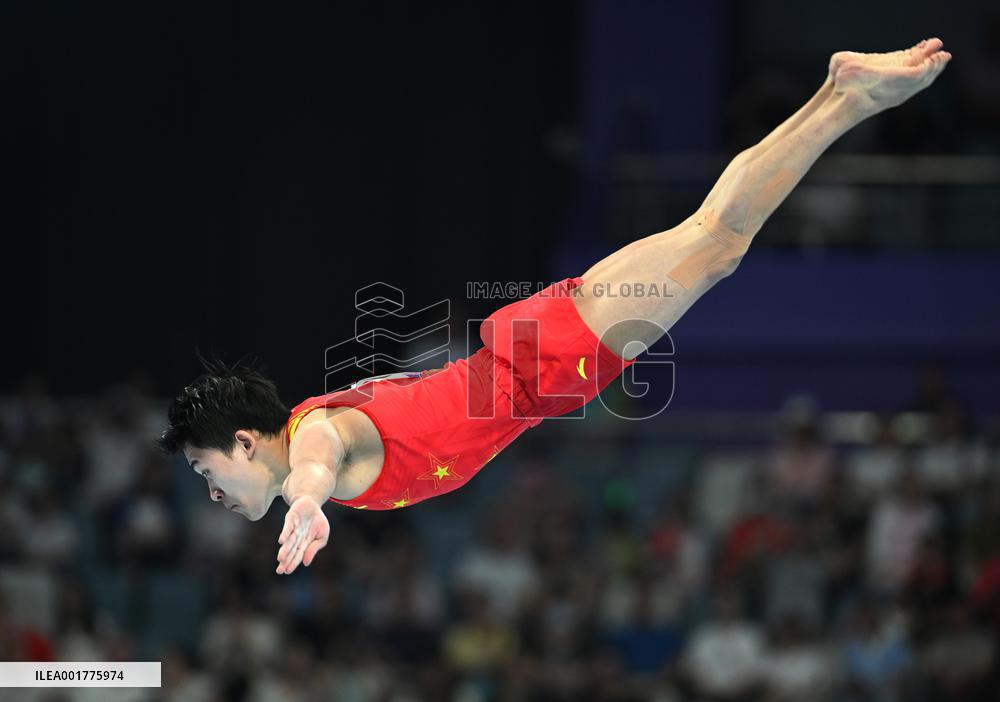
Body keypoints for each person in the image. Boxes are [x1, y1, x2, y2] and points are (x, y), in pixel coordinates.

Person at [157, 40, 952, 575]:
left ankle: (845, 98)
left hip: (540, 360)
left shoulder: (313, 440)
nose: (211, 491)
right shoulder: (311, 444)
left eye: (205, 469)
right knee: (715, 242)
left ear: (243, 439)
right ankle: (844, 98)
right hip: (541, 364)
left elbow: (323, 450)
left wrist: (304, 496)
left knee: (718, 238)